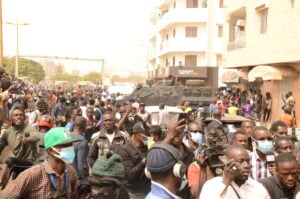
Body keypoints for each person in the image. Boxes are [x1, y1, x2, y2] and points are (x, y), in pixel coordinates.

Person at [0, 127, 80, 198]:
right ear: (50, 150)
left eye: (71, 145)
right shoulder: (32, 174)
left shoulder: (70, 171)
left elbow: (76, 194)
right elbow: (7, 196)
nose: (70, 149)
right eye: (65, 146)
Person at [200, 145, 270, 199]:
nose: (246, 165)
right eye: (240, 161)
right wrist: (227, 180)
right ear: (227, 162)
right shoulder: (212, 185)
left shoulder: (257, 187)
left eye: (248, 161)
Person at [117, 122, 151, 199]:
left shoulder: (149, 146)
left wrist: (151, 144)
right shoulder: (125, 150)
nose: (149, 137)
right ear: (139, 135)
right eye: (147, 134)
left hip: (149, 189)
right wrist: (144, 161)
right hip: (134, 191)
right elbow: (130, 175)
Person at [72, 116, 89, 184]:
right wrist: (84, 179)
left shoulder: (64, 137)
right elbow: (81, 165)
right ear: (84, 127)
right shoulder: (82, 141)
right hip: (76, 178)